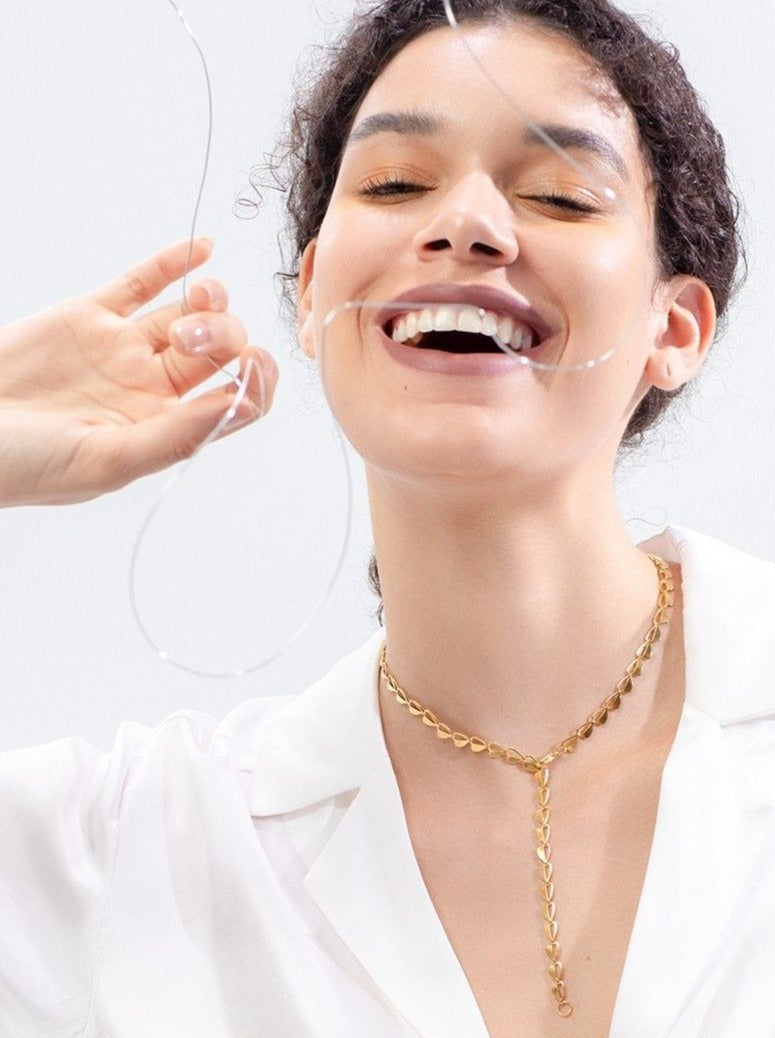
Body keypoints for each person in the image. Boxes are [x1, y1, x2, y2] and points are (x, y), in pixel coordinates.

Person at [1, 1, 773, 1036]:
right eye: (394, 184)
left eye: (558, 194)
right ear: (314, 292)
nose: (464, 225)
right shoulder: (132, 851)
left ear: (671, 329)